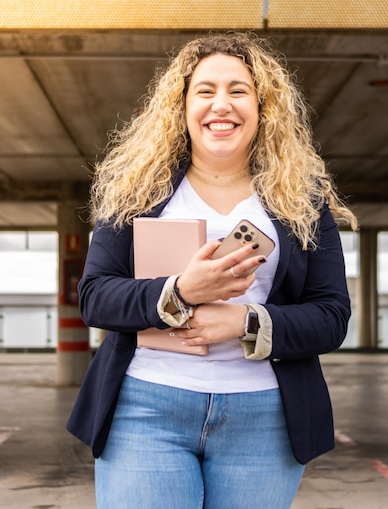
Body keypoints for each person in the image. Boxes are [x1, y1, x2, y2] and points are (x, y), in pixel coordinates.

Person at [67, 31, 357, 509]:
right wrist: (179, 291)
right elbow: (95, 296)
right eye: (205, 91)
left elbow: (331, 316)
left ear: (264, 108)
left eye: (238, 90)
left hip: (264, 417)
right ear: (181, 107)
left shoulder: (303, 202)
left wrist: (244, 322)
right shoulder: (136, 192)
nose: (221, 104)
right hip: (146, 406)